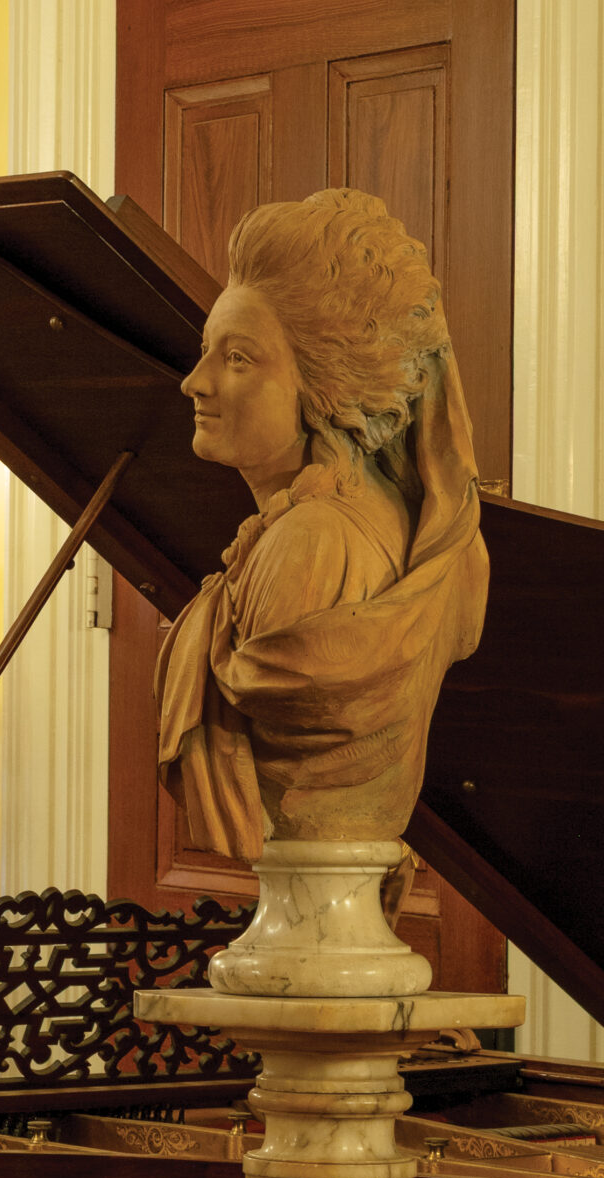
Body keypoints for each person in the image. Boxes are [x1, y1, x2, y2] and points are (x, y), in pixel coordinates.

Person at [155, 189, 486, 897]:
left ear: (324, 388)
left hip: (315, 885)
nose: (196, 382)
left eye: (237, 359)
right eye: (205, 353)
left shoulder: (311, 544)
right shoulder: (348, 523)